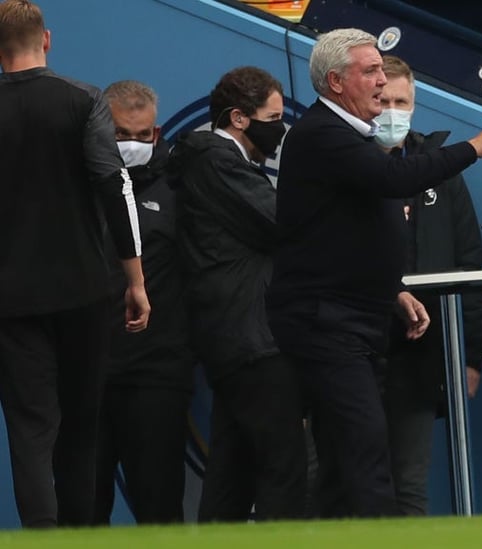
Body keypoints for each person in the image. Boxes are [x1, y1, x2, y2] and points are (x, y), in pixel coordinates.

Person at [266, 28, 482, 517]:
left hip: (353, 317)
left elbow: (344, 235)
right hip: (327, 324)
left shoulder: (343, 136)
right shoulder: (323, 135)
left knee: (340, 466)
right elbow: (394, 179)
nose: (381, 80)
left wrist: (393, 290)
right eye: (371, 71)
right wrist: (476, 147)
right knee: (366, 457)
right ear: (336, 82)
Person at [0, 0, 150, 528]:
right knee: (82, 427)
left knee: (29, 431)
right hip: (84, 290)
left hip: (11, 301)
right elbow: (115, 185)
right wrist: (135, 279)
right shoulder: (83, 99)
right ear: (47, 40)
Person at [168, 66, 306, 521]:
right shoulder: (217, 160)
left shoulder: (215, 161)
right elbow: (281, 222)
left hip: (236, 335)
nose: (279, 127)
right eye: (272, 116)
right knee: (281, 466)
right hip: (252, 338)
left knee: (233, 470)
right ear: (238, 118)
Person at [376, 55, 482, 515]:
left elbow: (470, 267)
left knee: (410, 487)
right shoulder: (342, 164)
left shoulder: (442, 174)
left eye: (402, 101)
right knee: (342, 482)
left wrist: (472, 358)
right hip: (352, 350)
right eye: (383, 100)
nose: (392, 110)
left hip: (419, 357)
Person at [92, 80, 194, 525]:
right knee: (80, 513)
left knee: (159, 510)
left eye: (142, 135)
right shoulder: (75, 187)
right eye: (120, 135)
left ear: (156, 133)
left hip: (156, 373)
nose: (132, 144)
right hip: (85, 374)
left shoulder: (180, 189)